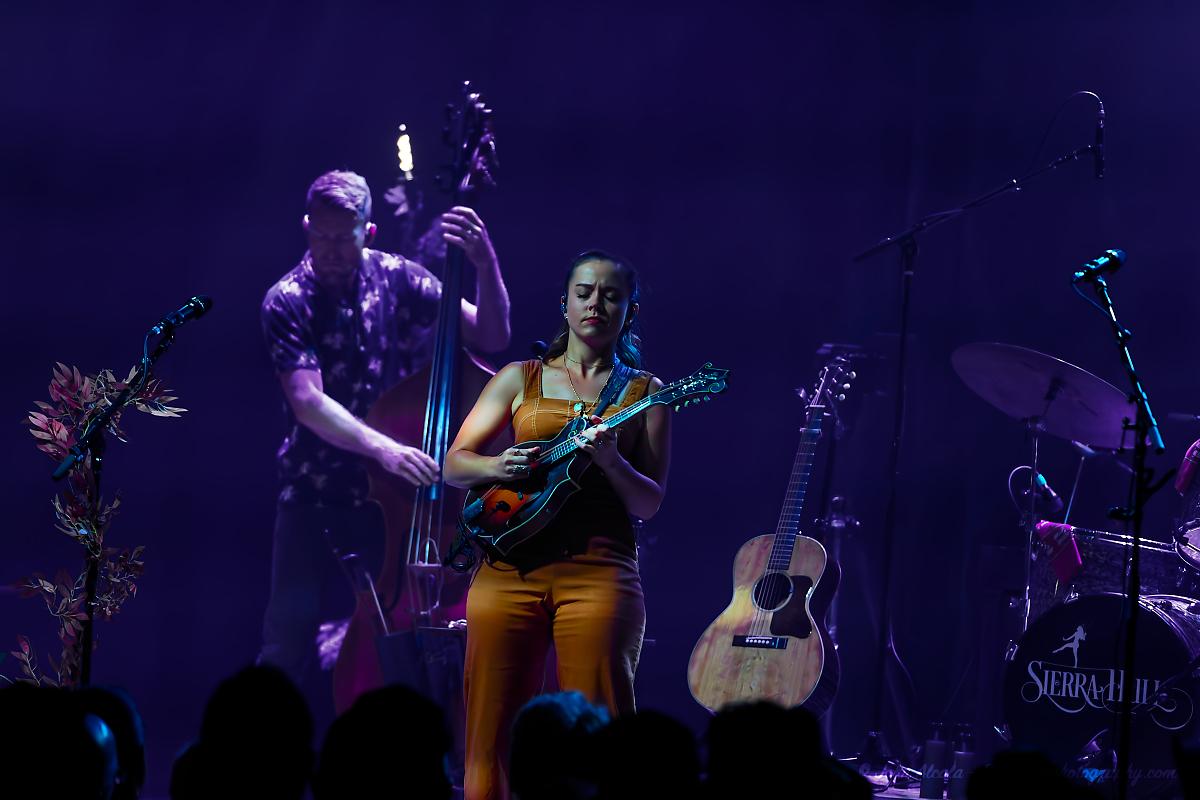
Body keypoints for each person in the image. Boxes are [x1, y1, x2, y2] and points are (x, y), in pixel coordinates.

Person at [258, 170, 511, 688]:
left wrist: (484, 263)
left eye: (342, 238)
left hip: (390, 504)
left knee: (399, 634)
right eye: (319, 235)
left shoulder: (398, 276)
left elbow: (491, 335)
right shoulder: (286, 299)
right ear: (306, 227)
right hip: (314, 496)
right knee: (288, 640)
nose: (328, 250)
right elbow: (307, 400)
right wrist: (386, 450)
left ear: (367, 233)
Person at [444, 250, 671, 800]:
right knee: (488, 733)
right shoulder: (518, 378)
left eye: (611, 295)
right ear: (565, 305)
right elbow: (454, 465)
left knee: (600, 727)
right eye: (585, 292)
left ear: (629, 312)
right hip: (507, 570)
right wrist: (498, 465)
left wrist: (612, 460)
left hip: (600, 570)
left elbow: (650, 503)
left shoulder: (647, 393)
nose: (597, 303)